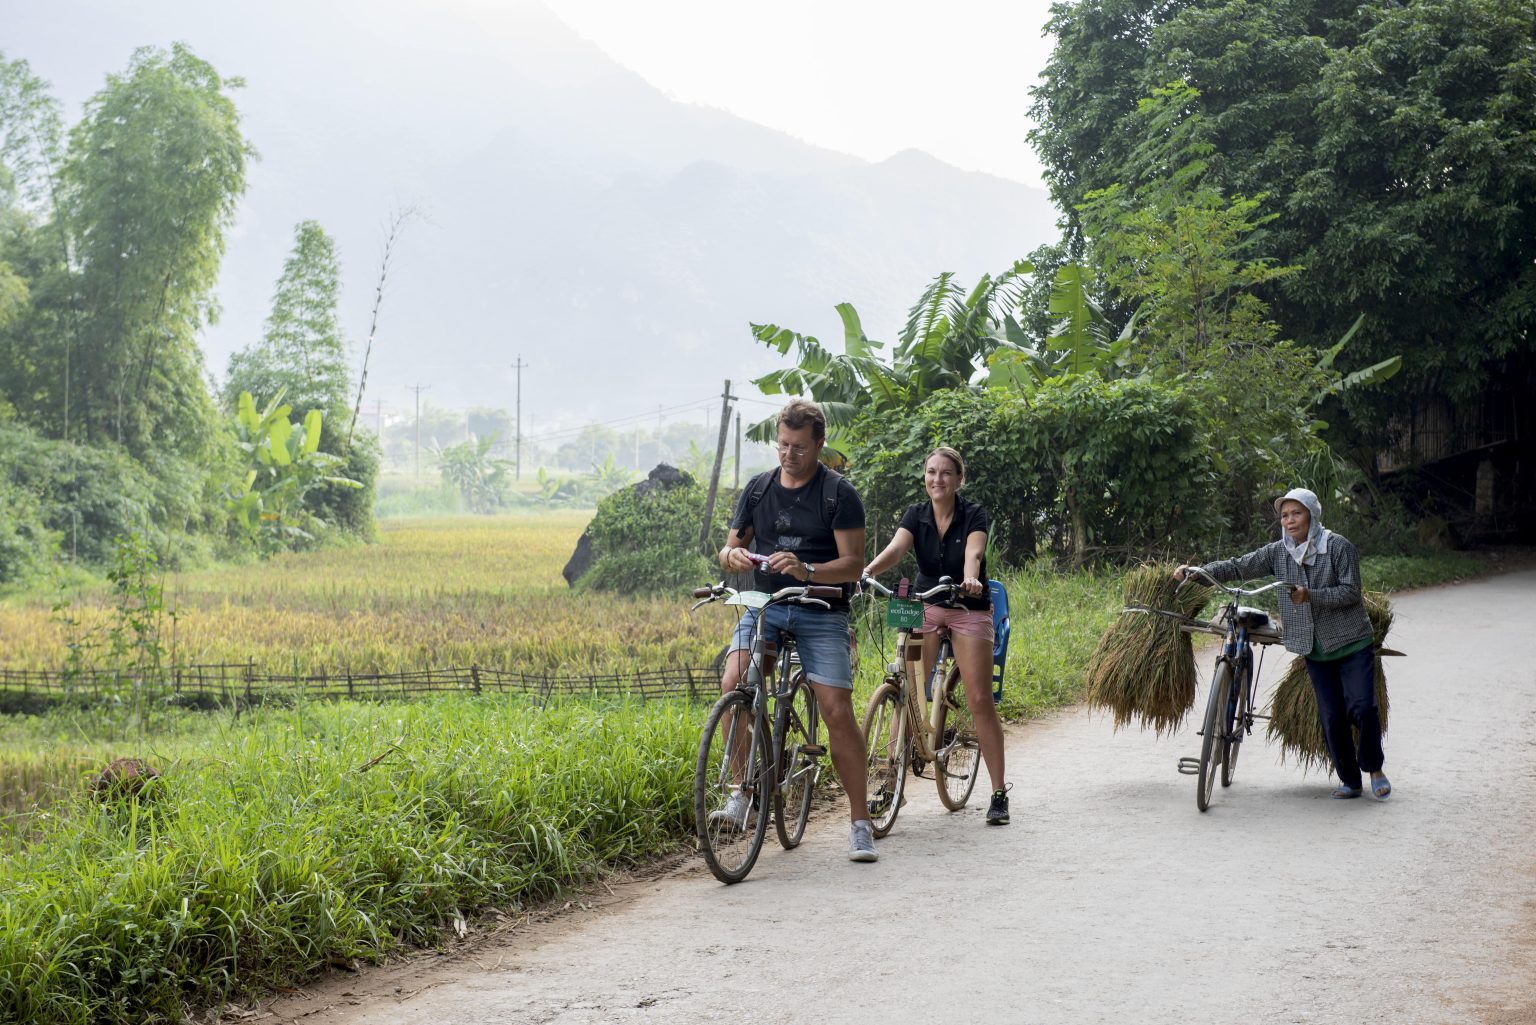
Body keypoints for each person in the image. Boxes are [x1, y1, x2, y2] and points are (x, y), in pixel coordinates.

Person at [716, 398, 878, 861]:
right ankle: (741, 792)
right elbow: (730, 549)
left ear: (819, 445)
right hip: (765, 603)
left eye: (799, 447)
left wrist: (807, 569)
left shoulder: (838, 494)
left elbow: (852, 566)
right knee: (734, 682)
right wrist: (732, 558)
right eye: (783, 445)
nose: (789, 455)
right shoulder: (758, 489)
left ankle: (859, 820)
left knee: (835, 708)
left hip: (820, 608)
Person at [1175, 487, 1390, 800]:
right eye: (1285, 515)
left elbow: (1351, 592)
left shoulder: (1338, 547)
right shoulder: (1278, 552)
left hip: (1351, 641)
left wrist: (1310, 595)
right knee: (1331, 716)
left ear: (1312, 516)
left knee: (1363, 708)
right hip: (1313, 648)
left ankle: (1374, 768)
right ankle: (1350, 781)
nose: (1289, 521)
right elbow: (1238, 566)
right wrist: (1198, 573)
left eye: (1296, 513)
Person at [862, 446, 1011, 825]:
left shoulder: (973, 513)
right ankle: (890, 783)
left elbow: (973, 553)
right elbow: (897, 548)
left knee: (979, 698)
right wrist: (869, 571)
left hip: (966, 606)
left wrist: (972, 579)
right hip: (926, 603)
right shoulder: (916, 514)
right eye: (931, 472)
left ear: (959, 479)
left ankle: (998, 792)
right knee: (909, 689)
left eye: (946, 473)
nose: (937, 479)